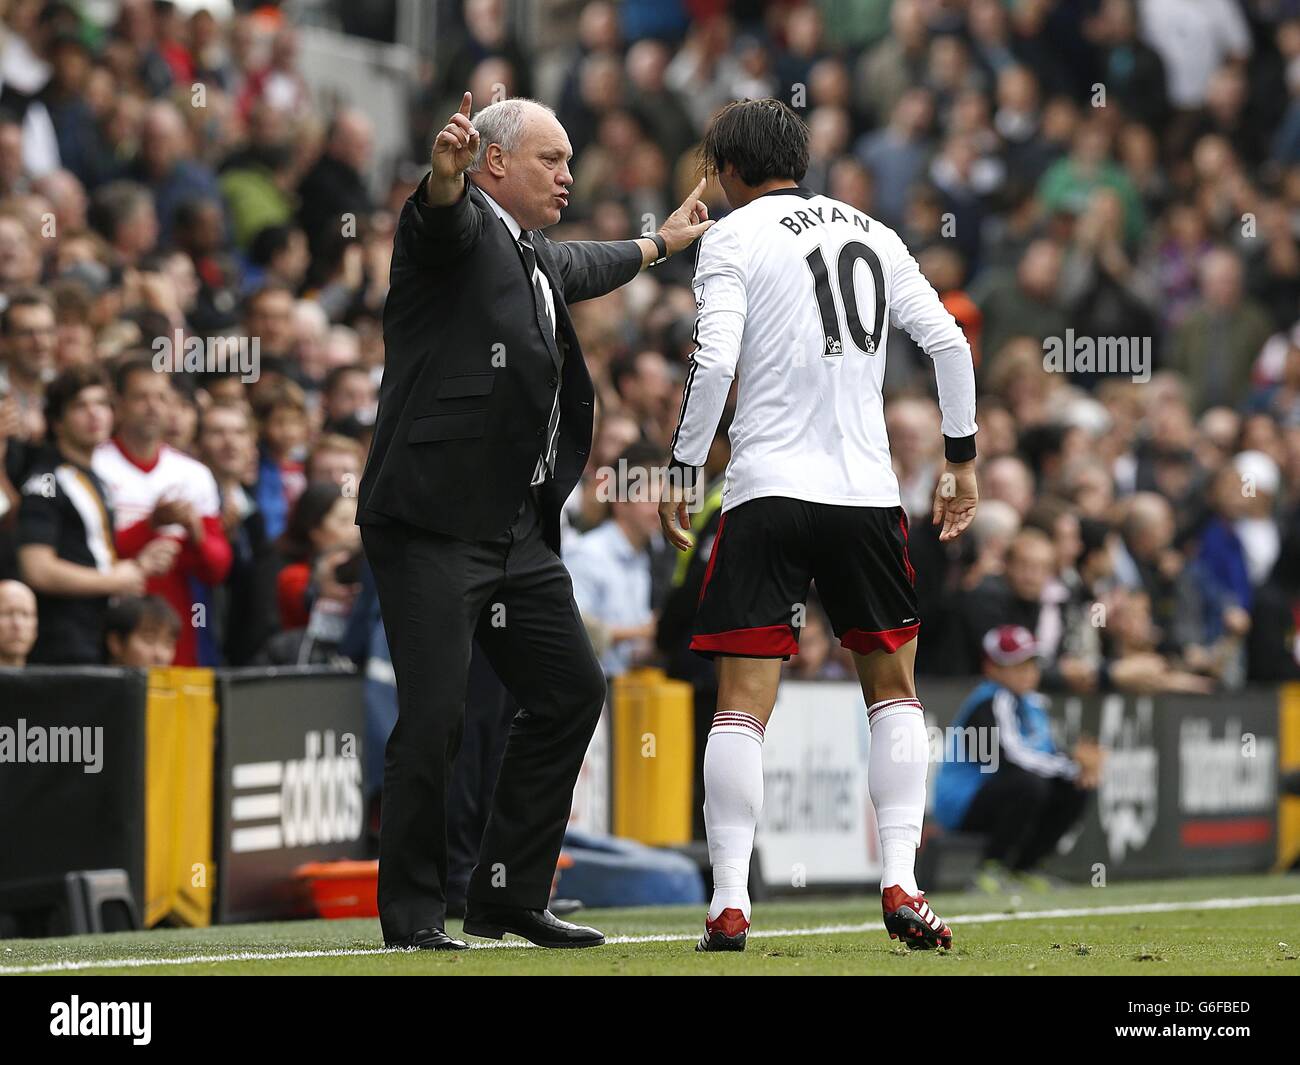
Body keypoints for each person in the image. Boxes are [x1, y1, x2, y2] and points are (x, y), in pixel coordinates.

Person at [354, 91, 712, 950]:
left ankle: (507, 893)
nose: (569, 173)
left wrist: (661, 240)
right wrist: (440, 180)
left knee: (570, 691)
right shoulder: (462, 228)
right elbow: (437, 220)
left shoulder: (533, 255)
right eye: (551, 159)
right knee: (437, 718)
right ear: (494, 162)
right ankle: (409, 916)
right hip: (433, 524)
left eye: (570, 159)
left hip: (514, 530)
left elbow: (588, 262)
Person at [658, 99, 978, 952]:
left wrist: (685, 467)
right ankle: (903, 881)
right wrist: (962, 459)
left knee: (741, 709)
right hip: (866, 494)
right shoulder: (874, 230)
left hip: (766, 490)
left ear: (727, 172)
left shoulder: (731, 238)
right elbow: (950, 344)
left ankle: (730, 901)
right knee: (894, 694)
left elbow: (716, 359)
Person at [17, 365, 176, 664]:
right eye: (80, 406)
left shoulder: (95, 478)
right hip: (60, 642)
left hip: (94, 634)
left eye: (102, 404)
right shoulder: (47, 480)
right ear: (57, 422)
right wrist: (114, 581)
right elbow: (36, 568)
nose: (94, 414)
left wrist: (138, 565)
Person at [933, 625, 1102, 886]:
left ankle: (1025, 868)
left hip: (1002, 793)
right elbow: (1010, 758)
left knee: (1076, 786)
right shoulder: (988, 703)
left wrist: (1078, 770)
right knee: (1029, 784)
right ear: (992, 668)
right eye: (1017, 665)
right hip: (963, 804)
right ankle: (990, 870)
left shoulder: (1032, 704)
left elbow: (1044, 754)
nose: (1028, 673)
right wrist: (1073, 765)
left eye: (1032, 664)